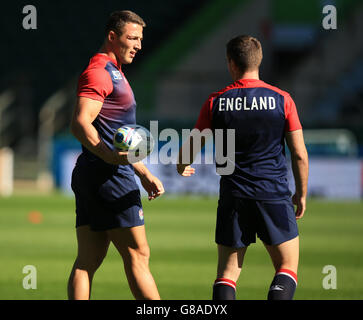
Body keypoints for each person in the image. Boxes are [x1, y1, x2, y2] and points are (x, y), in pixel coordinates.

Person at [177, 35, 308, 300]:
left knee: (226, 274)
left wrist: (182, 165)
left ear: (231, 63)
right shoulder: (282, 99)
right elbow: (299, 154)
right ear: (259, 61)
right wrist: (301, 193)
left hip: (233, 196)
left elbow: (190, 149)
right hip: (272, 193)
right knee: (286, 267)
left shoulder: (216, 102)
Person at [68, 10, 164, 300]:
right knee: (138, 255)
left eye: (140, 39)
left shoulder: (114, 71)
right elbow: (80, 122)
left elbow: (116, 135)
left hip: (94, 172)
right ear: (112, 37)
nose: (138, 45)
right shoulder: (99, 72)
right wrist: (109, 157)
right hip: (109, 176)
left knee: (87, 261)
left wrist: (144, 173)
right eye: (132, 38)